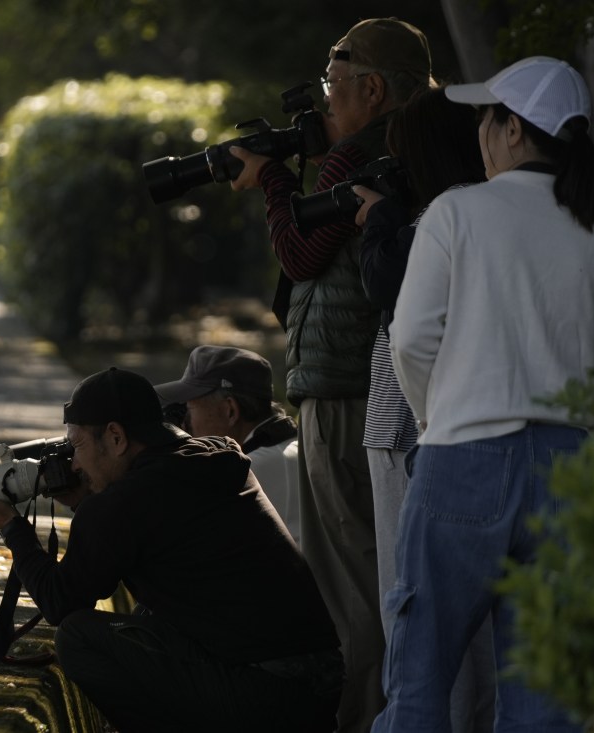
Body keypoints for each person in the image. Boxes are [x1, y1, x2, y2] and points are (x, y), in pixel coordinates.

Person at [373, 57, 594, 732]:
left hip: (461, 464)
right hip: (573, 471)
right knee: (546, 705)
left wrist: (435, 415)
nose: (480, 133)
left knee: (418, 685)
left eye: (485, 117)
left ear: (514, 132)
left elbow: (409, 339)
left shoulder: (457, 212)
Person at [228, 17, 435, 732]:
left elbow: (299, 255)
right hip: (365, 387)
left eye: (333, 85)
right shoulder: (406, 149)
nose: (324, 102)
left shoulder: (362, 161)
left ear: (372, 89)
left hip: (346, 391)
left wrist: (274, 178)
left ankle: (363, 719)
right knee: (372, 572)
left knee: (347, 584)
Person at [0, 366, 342, 733]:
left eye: (76, 446)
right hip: (323, 687)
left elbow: (59, 602)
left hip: (266, 696)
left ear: (115, 437)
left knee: (78, 638)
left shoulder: (124, 504)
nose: (73, 463)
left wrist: (11, 526)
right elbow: (136, 536)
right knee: (146, 615)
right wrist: (88, 501)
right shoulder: (215, 457)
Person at [352, 86, 495, 732]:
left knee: (413, 606)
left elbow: (390, 298)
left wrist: (381, 220)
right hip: (465, 425)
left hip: (409, 425)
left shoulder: (434, 225)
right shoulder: (487, 218)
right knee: (478, 617)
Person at [153, 345, 302, 545]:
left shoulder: (243, 476)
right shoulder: (299, 448)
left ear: (230, 410)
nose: (184, 423)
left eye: (189, 408)